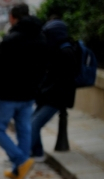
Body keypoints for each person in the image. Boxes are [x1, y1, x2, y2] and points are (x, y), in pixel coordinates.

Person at [0, 3, 48, 179]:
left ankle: (21, 161)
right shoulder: (40, 36)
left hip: (7, 94)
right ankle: (18, 171)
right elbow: (43, 66)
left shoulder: (10, 39)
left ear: (13, 18)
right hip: (28, 93)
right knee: (24, 130)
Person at [31, 18, 79, 162]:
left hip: (55, 98)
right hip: (47, 96)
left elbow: (62, 80)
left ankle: (23, 156)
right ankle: (37, 153)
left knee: (33, 124)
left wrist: (44, 91)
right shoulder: (56, 49)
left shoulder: (66, 51)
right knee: (31, 122)